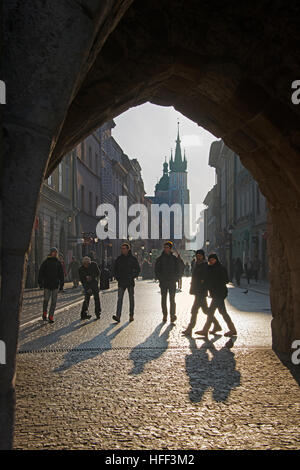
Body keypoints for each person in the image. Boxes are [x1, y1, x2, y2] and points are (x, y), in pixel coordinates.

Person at [196, 253, 237, 338]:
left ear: (216, 260)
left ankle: (206, 330)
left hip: (219, 293)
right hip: (215, 294)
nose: (211, 261)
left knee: (211, 312)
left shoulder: (221, 268)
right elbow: (207, 281)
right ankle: (231, 329)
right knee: (222, 312)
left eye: (213, 260)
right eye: (210, 260)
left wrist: (215, 282)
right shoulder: (210, 269)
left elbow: (226, 280)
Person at [183, 249, 222, 336]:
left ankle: (190, 328)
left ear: (203, 256)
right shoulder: (197, 264)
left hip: (201, 291)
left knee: (194, 310)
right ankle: (216, 325)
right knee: (205, 310)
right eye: (197, 255)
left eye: (200, 255)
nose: (198, 256)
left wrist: (202, 283)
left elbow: (205, 278)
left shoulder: (204, 265)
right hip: (198, 291)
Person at [112, 243, 140, 323]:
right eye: (122, 248)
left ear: (128, 249)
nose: (123, 250)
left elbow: (138, 269)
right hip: (121, 282)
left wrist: (133, 276)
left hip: (130, 282)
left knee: (131, 299)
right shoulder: (119, 259)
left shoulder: (133, 259)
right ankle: (118, 316)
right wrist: (117, 278)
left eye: (124, 248)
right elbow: (115, 269)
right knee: (119, 299)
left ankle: (131, 315)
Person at [155, 241, 180, 323]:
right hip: (163, 282)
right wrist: (160, 279)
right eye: (165, 247)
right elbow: (157, 270)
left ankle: (172, 315)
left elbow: (179, 268)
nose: (166, 249)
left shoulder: (174, 258)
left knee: (172, 300)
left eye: (167, 247)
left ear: (170, 248)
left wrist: (176, 278)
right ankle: (165, 315)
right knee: (163, 299)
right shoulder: (160, 259)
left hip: (172, 282)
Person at [38, 247, 64, 323]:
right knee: (46, 300)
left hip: (55, 285)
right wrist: (40, 282)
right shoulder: (46, 262)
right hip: (47, 284)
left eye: (56, 252)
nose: (55, 253)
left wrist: (61, 285)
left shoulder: (58, 263)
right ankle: (44, 314)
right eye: (54, 252)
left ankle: (51, 316)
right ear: (51, 253)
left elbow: (61, 275)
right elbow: (41, 272)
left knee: (54, 302)